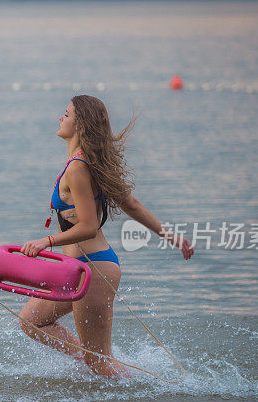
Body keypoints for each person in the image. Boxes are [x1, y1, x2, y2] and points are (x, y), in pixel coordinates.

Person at [19, 95, 194, 378]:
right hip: (76, 270)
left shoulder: (78, 168)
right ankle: (87, 362)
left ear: (81, 125)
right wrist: (170, 236)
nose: (60, 118)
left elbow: (88, 226)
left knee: (100, 363)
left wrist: (45, 242)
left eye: (66, 114)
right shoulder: (88, 163)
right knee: (31, 321)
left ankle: (155, 391)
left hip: (94, 269)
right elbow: (131, 204)